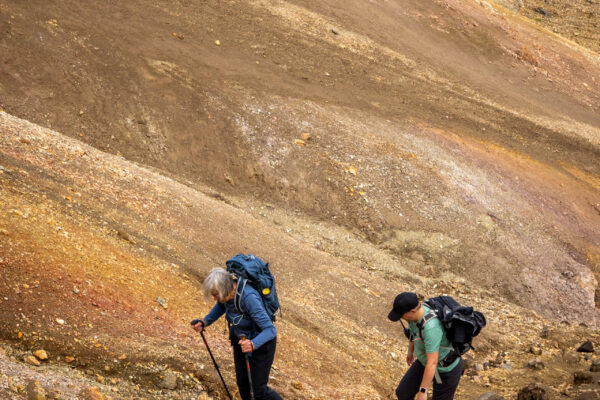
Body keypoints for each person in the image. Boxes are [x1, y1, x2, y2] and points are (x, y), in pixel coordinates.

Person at [192, 267, 282, 400]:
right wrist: (205, 322)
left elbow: (270, 330)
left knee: (259, 391)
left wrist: (252, 344)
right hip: (241, 340)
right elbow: (221, 306)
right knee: (243, 385)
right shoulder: (228, 295)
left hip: (261, 343)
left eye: (216, 294)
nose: (215, 298)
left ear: (226, 289)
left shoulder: (248, 297)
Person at [388, 292, 463, 400]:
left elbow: (432, 362)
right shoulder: (414, 317)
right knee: (403, 393)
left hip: (446, 368)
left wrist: (423, 391)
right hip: (425, 362)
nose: (402, 318)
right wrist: (410, 351)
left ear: (412, 311)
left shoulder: (431, 328)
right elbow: (415, 334)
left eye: (402, 315)